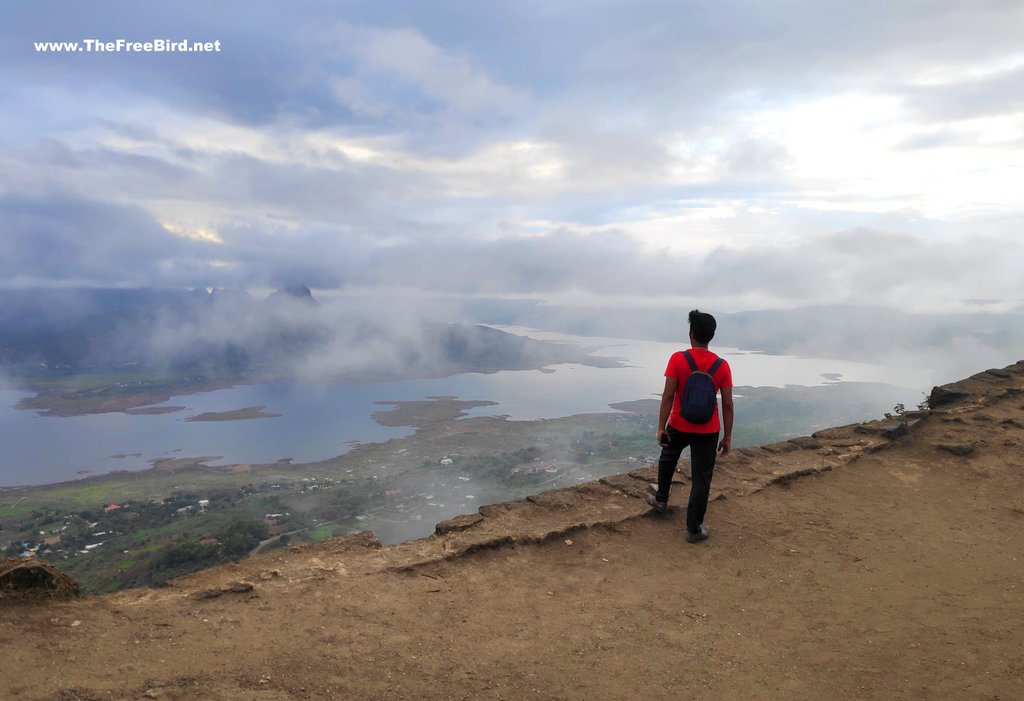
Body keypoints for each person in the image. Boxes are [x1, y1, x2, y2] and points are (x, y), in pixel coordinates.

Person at [646, 309, 734, 543]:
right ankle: (694, 529)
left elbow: (667, 396)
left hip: (679, 423)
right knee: (702, 478)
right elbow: (727, 404)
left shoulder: (678, 359)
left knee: (668, 456)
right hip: (708, 429)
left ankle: (662, 498)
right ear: (711, 336)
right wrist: (727, 437)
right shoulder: (722, 366)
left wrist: (661, 427)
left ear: (691, 334)